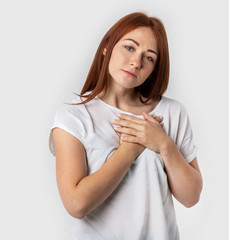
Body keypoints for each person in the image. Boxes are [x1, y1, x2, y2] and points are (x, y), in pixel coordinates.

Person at [48, 12, 203, 239]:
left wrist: (163, 144)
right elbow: (76, 204)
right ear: (107, 46)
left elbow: (191, 197)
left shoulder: (171, 112)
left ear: (154, 68)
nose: (136, 62)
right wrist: (129, 150)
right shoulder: (74, 117)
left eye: (149, 57)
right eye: (130, 48)